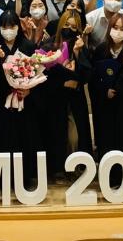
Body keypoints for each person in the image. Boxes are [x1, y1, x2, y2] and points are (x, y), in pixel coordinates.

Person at [36, 9, 91, 177]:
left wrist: (77, 54)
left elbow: (87, 73)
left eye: (74, 27)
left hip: (74, 98)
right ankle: (56, 169)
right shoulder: (49, 45)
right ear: (60, 25)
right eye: (66, 25)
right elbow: (43, 72)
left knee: (75, 136)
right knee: (55, 133)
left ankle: (75, 168)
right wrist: (62, 78)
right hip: (54, 98)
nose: (69, 29)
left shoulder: (80, 45)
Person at [90, 13, 123, 185]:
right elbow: (94, 78)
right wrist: (104, 91)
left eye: (122, 29)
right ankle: (109, 177)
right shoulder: (101, 50)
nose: (118, 32)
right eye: (115, 28)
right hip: (106, 107)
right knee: (107, 140)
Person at [0, 10, 41, 184]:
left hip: (24, 102)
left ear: (18, 27)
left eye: (12, 26)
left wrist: (28, 90)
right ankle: (4, 178)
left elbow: (37, 73)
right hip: (2, 102)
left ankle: (25, 177)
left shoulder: (28, 46)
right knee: (3, 137)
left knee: (25, 137)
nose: (8, 30)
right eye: (4, 27)